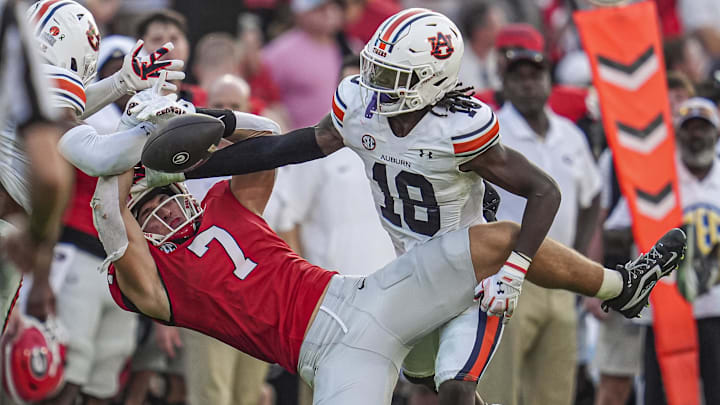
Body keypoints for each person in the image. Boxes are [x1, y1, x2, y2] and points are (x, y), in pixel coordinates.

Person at [143, 8, 685, 405]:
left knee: (455, 390)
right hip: (408, 273)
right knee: (433, 391)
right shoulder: (360, 107)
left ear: (431, 83)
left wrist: (515, 270)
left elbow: (544, 190)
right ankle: (625, 285)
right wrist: (187, 168)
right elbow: (291, 146)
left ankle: (621, 285)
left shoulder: (459, 129)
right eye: (375, 69)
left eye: (393, 77)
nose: (375, 85)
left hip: (472, 271)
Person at [90, 131, 685, 405]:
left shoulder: (223, 203)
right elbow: (109, 218)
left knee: (501, 240)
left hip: (365, 294)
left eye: (166, 193)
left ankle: (622, 285)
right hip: (328, 354)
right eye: (151, 205)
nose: (166, 206)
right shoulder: (147, 282)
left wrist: (213, 125)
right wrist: (122, 152)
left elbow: (266, 142)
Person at [475, 36, 602, 405]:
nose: (528, 83)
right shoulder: (493, 133)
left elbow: (591, 198)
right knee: (499, 389)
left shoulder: (571, 135)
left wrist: (578, 254)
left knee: (555, 390)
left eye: (536, 75)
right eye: (519, 76)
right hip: (509, 275)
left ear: (549, 81)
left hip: (560, 279)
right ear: (506, 83)